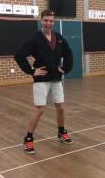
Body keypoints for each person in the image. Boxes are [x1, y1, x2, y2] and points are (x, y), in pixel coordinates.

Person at [14, 9, 73, 154]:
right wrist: (32, 71)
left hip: (56, 79)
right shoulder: (35, 39)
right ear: (41, 21)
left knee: (60, 107)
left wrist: (65, 68)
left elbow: (68, 53)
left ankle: (61, 132)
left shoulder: (58, 37)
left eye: (51, 21)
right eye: (46, 20)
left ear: (54, 22)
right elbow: (19, 55)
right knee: (40, 109)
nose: (49, 23)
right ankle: (28, 139)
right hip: (41, 80)